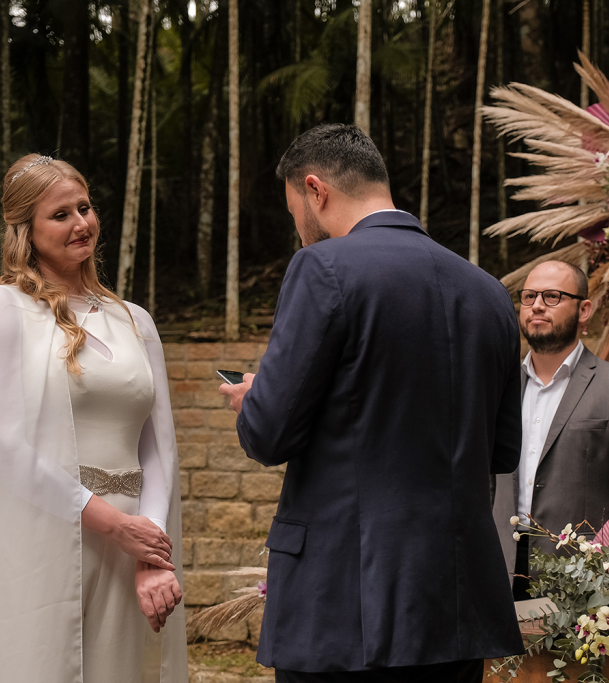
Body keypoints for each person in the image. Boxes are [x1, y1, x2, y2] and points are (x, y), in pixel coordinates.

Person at [219, 124, 524, 682]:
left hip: (345, 599)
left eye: (295, 216)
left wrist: (254, 399)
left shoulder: (324, 269)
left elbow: (270, 434)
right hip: (456, 602)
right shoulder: (489, 292)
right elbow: (502, 449)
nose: (301, 235)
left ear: (316, 191)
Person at [0, 155, 188, 683]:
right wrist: (112, 523)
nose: (81, 223)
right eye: (60, 215)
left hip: (128, 547)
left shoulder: (134, 320)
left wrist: (151, 548)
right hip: (41, 532)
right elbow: (1, 446)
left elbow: (156, 446)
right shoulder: (1, 310)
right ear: (25, 229)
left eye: (85, 207)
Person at [491, 260, 609, 601]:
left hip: (580, 581)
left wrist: (602, 563)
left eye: (552, 296)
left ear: (584, 310)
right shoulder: (496, 387)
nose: (537, 305)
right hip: (496, 570)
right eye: (528, 296)